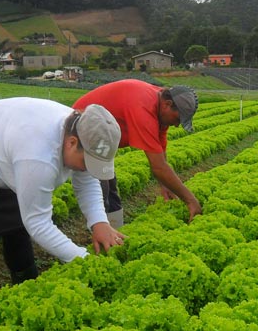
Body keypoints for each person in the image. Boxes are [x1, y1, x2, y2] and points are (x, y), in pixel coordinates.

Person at [0, 98, 125, 329]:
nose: (87, 167)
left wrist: (99, 222)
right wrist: (83, 259)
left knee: (16, 228)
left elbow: (86, 179)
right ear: (72, 143)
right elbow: (39, 224)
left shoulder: (82, 132)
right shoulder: (38, 155)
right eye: (87, 161)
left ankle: (28, 292)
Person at [73, 79, 202, 227]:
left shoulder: (160, 107)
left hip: (103, 140)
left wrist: (165, 184)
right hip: (83, 129)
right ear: (168, 105)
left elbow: (160, 153)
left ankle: (116, 232)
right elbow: (158, 166)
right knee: (100, 188)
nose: (177, 125)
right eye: (178, 119)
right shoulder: (143, 107)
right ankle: (101, 238)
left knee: (110, 186)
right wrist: (190, 200)